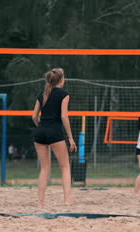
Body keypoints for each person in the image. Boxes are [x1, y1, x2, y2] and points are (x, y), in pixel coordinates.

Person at [32, 68, 77, 206]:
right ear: (61, 80)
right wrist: (70, 138)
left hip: (40, 132)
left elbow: (34, 116)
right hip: (55, 132)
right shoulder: (64, 94)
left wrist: (41, 126)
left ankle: (41, 202)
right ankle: (67, 200)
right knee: (65, 167)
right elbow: (64, 116)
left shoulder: (42, 94)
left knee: (45, 168)